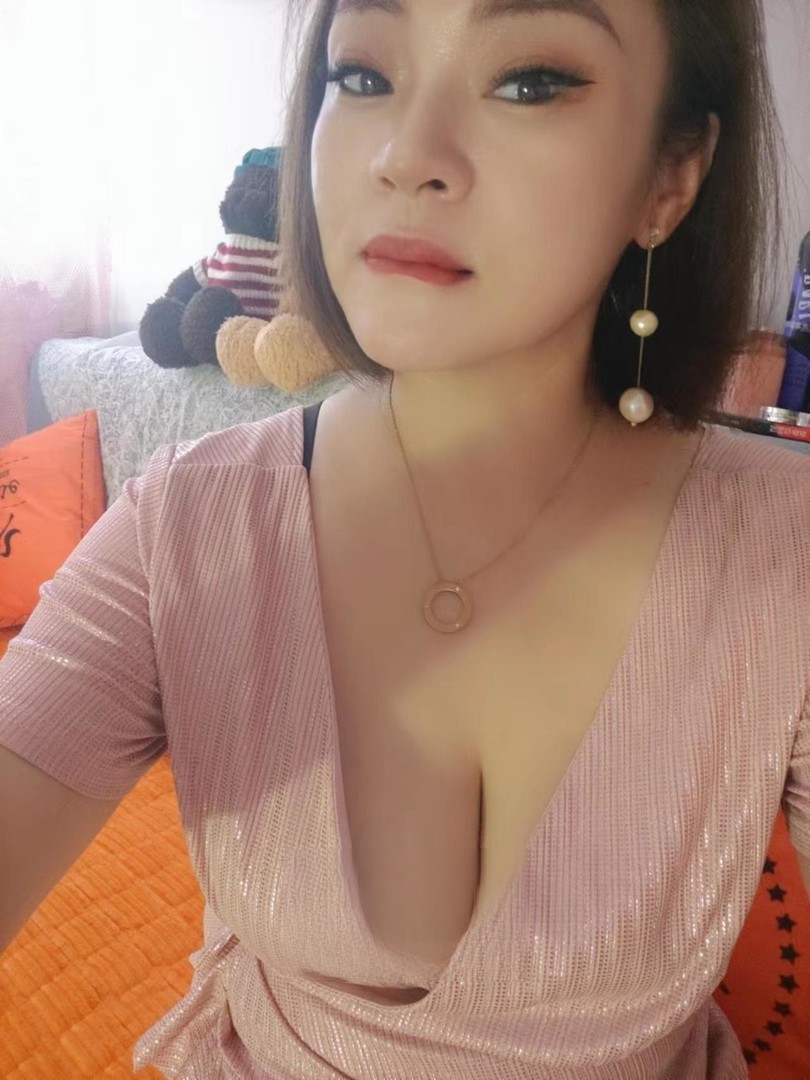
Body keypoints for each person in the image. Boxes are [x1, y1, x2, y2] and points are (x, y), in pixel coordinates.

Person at [1, 0, 808, 1075]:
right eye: (364, 76)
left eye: (529, 80)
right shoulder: (183, 526)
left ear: (670, 176)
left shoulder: (783, 548)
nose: (405, 154)